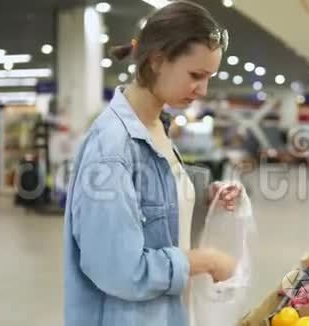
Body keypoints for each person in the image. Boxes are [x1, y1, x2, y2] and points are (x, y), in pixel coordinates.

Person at [63, 2, 241, 325]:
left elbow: (156, 210)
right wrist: (207, 260)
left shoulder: (157, 125)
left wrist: (203, 196)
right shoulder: (112, 148)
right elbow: (119, 270)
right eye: (196, 75)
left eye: (209, 77)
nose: (203, 90)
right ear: (157, 60)